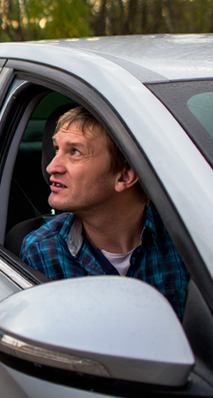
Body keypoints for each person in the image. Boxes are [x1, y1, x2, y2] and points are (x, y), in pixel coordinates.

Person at [20, 106, 189, 318]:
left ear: (124, 176)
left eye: (74, 152)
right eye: (56, 149)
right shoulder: (43, 250)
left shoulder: (184, 244)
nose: (52, 167)